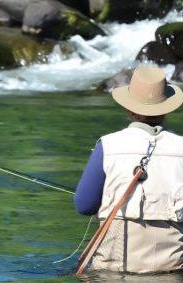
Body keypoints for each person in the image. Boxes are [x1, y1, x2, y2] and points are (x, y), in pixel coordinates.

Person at [74, 66, 183, 273]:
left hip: (113, 269)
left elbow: (84, 205)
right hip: (172, 270)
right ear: (167, 109)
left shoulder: (108, 145)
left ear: (129, 108)